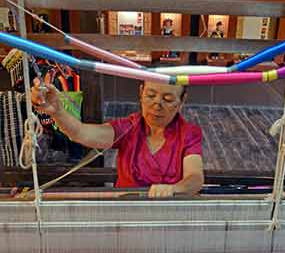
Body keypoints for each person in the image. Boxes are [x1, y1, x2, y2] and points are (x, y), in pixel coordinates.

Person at [31, 80, 204, 198]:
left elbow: (195, 178)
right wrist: (57, 112)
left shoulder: (188, 133)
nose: (156, 105)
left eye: (167, 99)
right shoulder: (128, 128)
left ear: (181, 102)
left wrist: (174, 189)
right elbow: (81, 133)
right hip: (126, 210)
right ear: (141, 93)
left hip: (167, 213)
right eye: (150, 96)